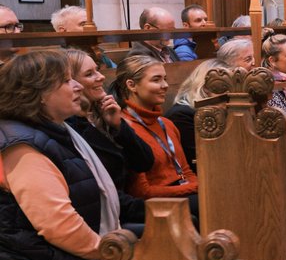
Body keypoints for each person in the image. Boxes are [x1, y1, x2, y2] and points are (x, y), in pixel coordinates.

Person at [0, 50, 142, 260]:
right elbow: (59, 226)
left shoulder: (57, 129)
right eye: (66, 81)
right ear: (39, 93)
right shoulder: (22, 146)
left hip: (70, 259)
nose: (77, 86)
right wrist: (108, 252)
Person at [64, 48, 153, 191]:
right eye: (89, 74)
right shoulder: (71, 126)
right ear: (71, 83)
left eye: (97, 70)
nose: (101, 77)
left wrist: (119, 126)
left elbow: (144, 163)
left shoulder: (104, 113)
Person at [114, 54, 199, 202]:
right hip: (156, 203)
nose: (165, 85)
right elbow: (142, 191)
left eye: (164, 78)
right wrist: (198, 188)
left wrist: (198, 187)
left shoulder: (167, 124)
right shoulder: (124, 128)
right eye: (156, 80)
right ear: (132, 85)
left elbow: (185, 171)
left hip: (184, 191)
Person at [167, 60, 228, 169]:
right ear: (204, 87)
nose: (229, 93)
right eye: (222, 87)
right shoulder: (181, 115)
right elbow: (197, 160)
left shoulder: (225, 110)